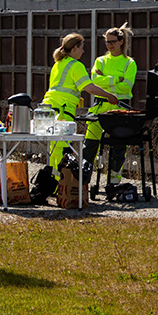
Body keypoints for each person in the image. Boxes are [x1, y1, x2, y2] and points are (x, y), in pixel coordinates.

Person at [31, 33, 117, 203]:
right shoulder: (75, 65)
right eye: (82, 47)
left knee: (55, 152)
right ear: (75, 48)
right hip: (62, 112)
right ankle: (55, 189)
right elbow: (89, 88)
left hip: (48, 110)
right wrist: (109, 96)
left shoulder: (58, 64)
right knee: (63, 153)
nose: (83, 51)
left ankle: (53, 188)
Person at [84, 24, 137, 192]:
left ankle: (113, 184)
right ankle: (83, 182)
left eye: (112, 42)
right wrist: (116, 80)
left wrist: (105, 79)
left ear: (121, 41)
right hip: (99, 107)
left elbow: (127, 87)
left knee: (118, 148)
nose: (109, 45)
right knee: (90, 146)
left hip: (120, 110)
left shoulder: (129, 63)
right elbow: (94, 81)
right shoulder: (100, 60)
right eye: (107, 42)